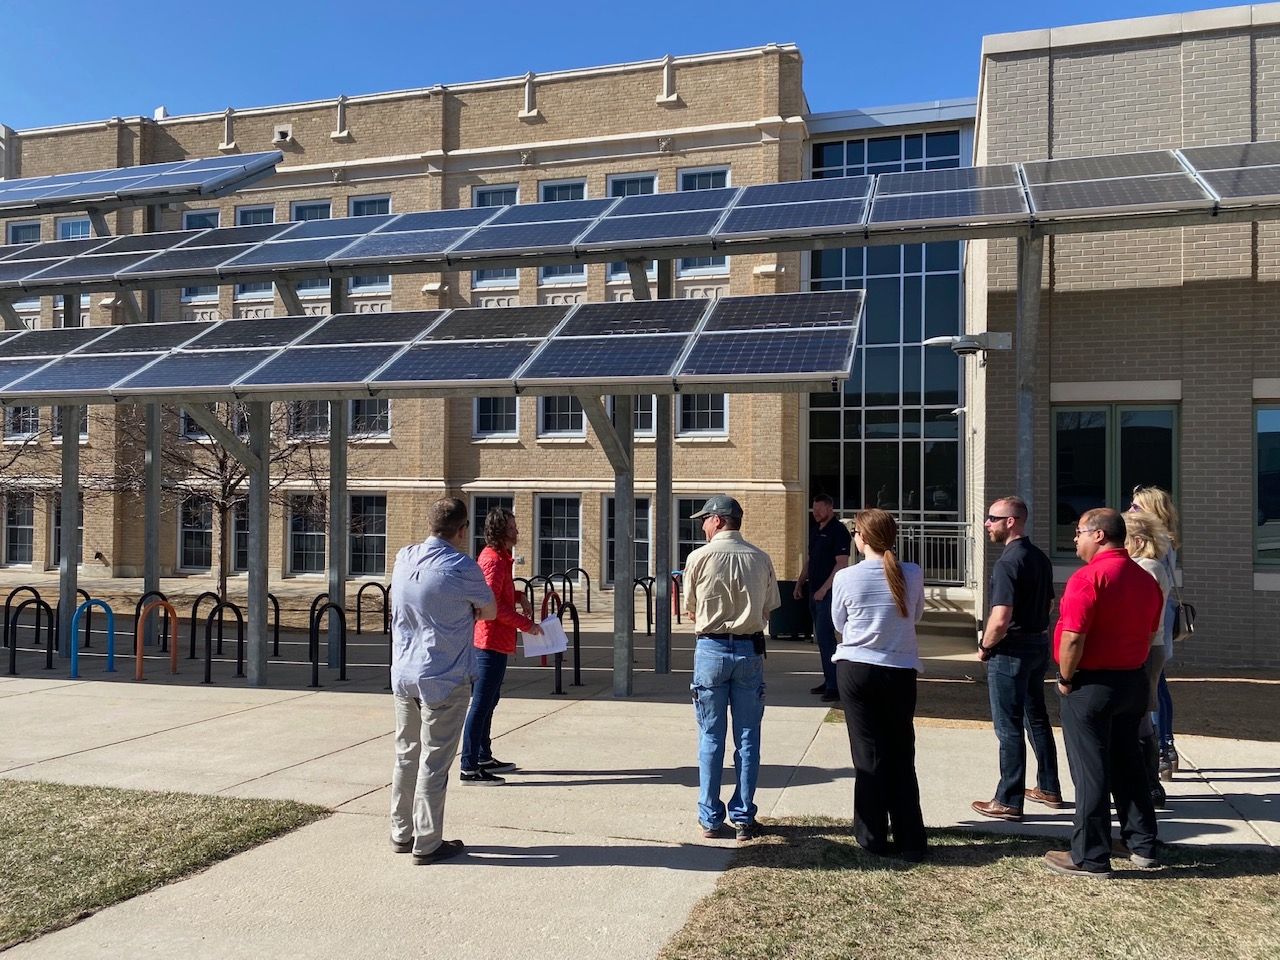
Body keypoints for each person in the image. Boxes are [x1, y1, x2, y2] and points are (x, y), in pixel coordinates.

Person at [1044, 508, 1162, 878]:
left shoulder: (1089, 577)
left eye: (1078, 532)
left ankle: (1090, 856)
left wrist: (1065, 677)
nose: (1074, 539)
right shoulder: (1146, 580)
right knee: (1129, 764)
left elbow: (1074, 636)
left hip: (1091, 684)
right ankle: (1142, 843)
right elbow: (1149, 631)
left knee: (1090, 768)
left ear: (1098, 535)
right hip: (1132, 681)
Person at [389, 497, 496, 865]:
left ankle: (400, 832)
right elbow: (490, 609)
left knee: (406, 755)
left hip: (404, 674)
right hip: (444, 676)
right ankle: (428, 841)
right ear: (462, 530)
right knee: (433, 763)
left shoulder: (404, 557)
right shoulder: (461, 566)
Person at [830, 508, 928, 861]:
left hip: (857, 670)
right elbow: (914, 615)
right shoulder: (913, 573)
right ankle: (911, 838)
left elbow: (838, 622)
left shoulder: (846, 577)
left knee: (868, 753)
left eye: (855, 532)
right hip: (900, 670)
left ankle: (872, 835)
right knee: (902, 751)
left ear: (863, 538)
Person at [684, 494, 781, 842]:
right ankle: (743, 815)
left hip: (710, 649)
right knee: (748, 737)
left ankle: (710, 817)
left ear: (720, 520)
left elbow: (691, 609)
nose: (702, 524)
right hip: (749, 650)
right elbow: (770, 608)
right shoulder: (760, 557)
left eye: (706, 518)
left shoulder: (698, 558)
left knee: (710, 737)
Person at [971, 496, 1062, 822]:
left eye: (993, 518)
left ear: (1012, 521)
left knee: (1008, 727)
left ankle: (1008, 799)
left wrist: (985, 646)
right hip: (1037, 646)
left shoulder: (1008, 562)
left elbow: (1000, 617)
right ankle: (1048, 788)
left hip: (1010, 652)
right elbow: (1049, 605)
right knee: (1035, 718)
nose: (987, 524)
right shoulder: (1038, 557)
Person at [460, 506, 541, 785]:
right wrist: (527, 624)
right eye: (512, 528)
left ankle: (483, 755)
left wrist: (519, 595)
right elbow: (491, 606)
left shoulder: (502, 559)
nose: (517, 531)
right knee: (481, 704)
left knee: (490, 701)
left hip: (497, 641)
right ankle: (469, 766)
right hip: (488, 642)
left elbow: (500, 595)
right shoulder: (493, 561)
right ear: (500, 531)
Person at [1130, 485, 1181, 779]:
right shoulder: (1165, 542)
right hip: (1160, 621)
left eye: (1136, 507)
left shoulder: (1155, 547)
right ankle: (1166, 747)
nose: (1130, 511)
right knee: (1158, 684)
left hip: (1154, 625)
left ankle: (1161, 748)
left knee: (1154, 686)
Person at [1123, 509, 1172, 808]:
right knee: (1141, 713)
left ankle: (1150, 784)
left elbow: (1143, 616)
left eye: (1125, 539)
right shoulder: (1145, 566)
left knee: (1141, 714)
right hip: (1148, 645)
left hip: (1146, 647)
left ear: (1139, 541)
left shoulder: (1148, 568)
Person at [793, 493, 851, 703]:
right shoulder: (815, 531)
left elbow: (841, 564)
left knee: (827, 640)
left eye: (819, 509)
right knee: (821, 640)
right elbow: (810, 560)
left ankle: (835, 686)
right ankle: (828, 680)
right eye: (814, 509)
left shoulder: (839, 532)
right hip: (814, 592)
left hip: (828, 594)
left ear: (830, 509)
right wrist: (800, 583)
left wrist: (825, 589)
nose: (816, 513)